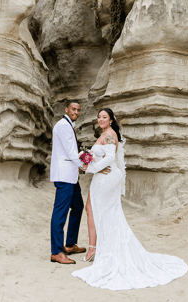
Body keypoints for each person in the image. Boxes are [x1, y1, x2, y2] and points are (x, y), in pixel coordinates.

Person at [72, 108, 188, 290]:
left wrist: (89, 169)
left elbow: (110, 158)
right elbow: (104, 158)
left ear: (110, 120)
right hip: (104, 175)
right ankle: (95, 247)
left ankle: (95, 249)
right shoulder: (106, 133)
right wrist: (91, 162)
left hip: (106, 178)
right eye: (99, 117)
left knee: (97, 210)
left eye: (104, 117)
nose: (101, 119)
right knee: (96, 209)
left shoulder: (109, 135)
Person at [49, 100, 109, 264]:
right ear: (66, 109)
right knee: (60, 213)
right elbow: (70, 153)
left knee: (77, 207)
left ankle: (70, 244)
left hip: (70, 176)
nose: (76, 112)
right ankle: (56, 252)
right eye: (73, 109)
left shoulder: (68, 125)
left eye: (78, 110)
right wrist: (87, 164)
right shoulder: (63, 125)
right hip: (64, 176)